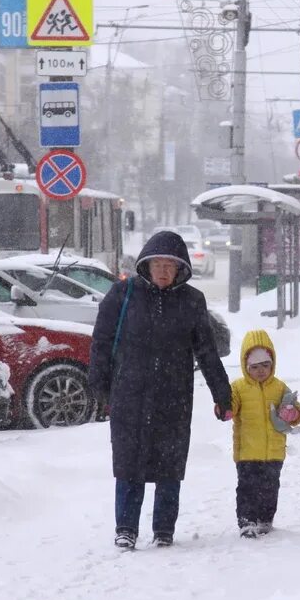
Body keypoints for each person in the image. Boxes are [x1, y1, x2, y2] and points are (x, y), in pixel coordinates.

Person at [89, 231, 233, 550]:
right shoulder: (122, 294)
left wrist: (223, 396)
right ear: (146, 265)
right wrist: (100, 388)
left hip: (174, 397)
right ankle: (126, 527)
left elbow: (207, 352)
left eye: (171, 265)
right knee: (129, 463)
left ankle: (164, 529)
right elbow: (100, 343)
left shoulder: (192, 301)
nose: (164, 271)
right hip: (129, 395)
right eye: (158, 264)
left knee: (169, 465)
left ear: (180, 268)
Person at [230, 329, 300, 538]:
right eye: (255, 367)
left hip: (274, 451)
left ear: (272, 364)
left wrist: (292, 413)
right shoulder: (238, 388)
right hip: (247, 452)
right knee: (247, 488)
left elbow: (296, 412)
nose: (261, 371)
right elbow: (231, 407)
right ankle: (247, 521)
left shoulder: (280, 388)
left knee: (270, 488)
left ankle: (265, 519)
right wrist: (225, 408)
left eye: (265, 365)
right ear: (246, 366)